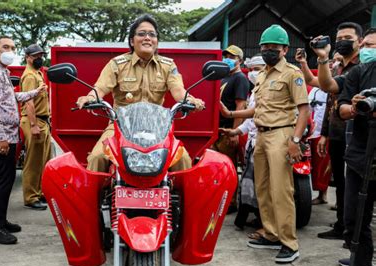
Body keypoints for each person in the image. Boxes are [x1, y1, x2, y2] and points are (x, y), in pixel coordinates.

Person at [76, 14, 204, 172]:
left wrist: (190, 100)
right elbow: (101, 88)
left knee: (183, 159)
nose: (147, 38)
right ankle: (94, 197)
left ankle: (182, 197)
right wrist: (89, 97)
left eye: (152, 34)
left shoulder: (167, 65)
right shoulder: (117, 64)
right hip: (119, 127)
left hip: (157, 129)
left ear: (157, 41)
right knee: (97, 158)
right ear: (131, 40)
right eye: (142, 34)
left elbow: (178, 90)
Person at [226, 25, 310, 263]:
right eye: (265, 47)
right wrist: (232, 114)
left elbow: (303, 110)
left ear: (284, 49)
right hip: (260, 136)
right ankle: (271, 234)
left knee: (281, 190)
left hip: (281, 135)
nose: (269, 51)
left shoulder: (292, 74)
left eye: (274, 48)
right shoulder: (261, 75)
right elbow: (259, 109)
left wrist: (295, 140)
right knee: (262, 189)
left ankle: (289, 243)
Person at [0, 35, 45, 244]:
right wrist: (2, 138)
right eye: (5, 47)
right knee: (0, 181)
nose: (9, 50)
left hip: (6, 134)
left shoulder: (3, 73)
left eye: (12, 47)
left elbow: (11, 98)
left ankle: (1, 221)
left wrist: (35, 92)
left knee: (6, 181)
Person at [300, 22, 362, 240]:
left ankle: (352, 229)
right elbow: (327, 96)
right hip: (336, 131)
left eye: (348, 38)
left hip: (356, 134)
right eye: (339, 38)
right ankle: (342, 225)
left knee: (354, 183)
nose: (342, 42)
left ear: (359, 42)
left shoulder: (363, 67)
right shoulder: (337, 68)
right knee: (342, 182)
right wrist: (325, 133)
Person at [334, 27, 376, 266]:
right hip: (361, 153)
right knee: (353, 217)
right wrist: (353, 108)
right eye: (367, 44)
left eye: (374, 44)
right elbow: (342, 107)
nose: (369, 48)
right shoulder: (358, 72)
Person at [220, 54, 265, 231]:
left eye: (259, 69)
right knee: (251, 183)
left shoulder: (269, 88)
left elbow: (247, 111)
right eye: (252, 69)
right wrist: (236, 130)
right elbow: (250, 118)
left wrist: (231, 118)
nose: (254, 73)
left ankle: (266, 226)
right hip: (253, 143)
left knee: (263, 185)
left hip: (267, 140)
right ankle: (259, 219)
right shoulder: (255, 90)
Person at [212, 45, 249, 213]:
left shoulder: (240, 78)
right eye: (225, 55)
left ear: (240, 60)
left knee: (229, 169)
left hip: (228, 130)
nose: (227, 58)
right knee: (218, 169)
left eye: (232, 56)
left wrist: (235, 132)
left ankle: (232, 202)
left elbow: (240, 105)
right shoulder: (224, 77)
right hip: (218, 130)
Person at [20, 44, 51, 210]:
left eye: (41, 55)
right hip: (34, 120)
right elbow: (29, 102)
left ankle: (38, 193)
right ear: (28, 57)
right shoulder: (30, 76)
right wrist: (33, 125)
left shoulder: (38, 73)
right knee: (33, 162)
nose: (39, 58)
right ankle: (31, 197)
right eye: (36, 56)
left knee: (43, 161)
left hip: (42, 121)